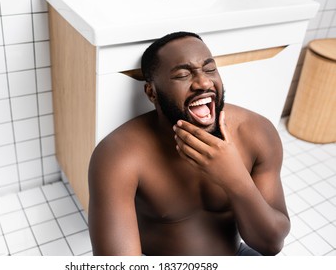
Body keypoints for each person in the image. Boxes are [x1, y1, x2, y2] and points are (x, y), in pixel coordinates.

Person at [88, 31, 290, 256]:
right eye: (183, 75)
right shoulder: (117, 155)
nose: (203, 82)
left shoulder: (257, 132)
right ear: (151, 92)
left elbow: (271, 245)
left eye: (210, 69)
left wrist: (236, 179)